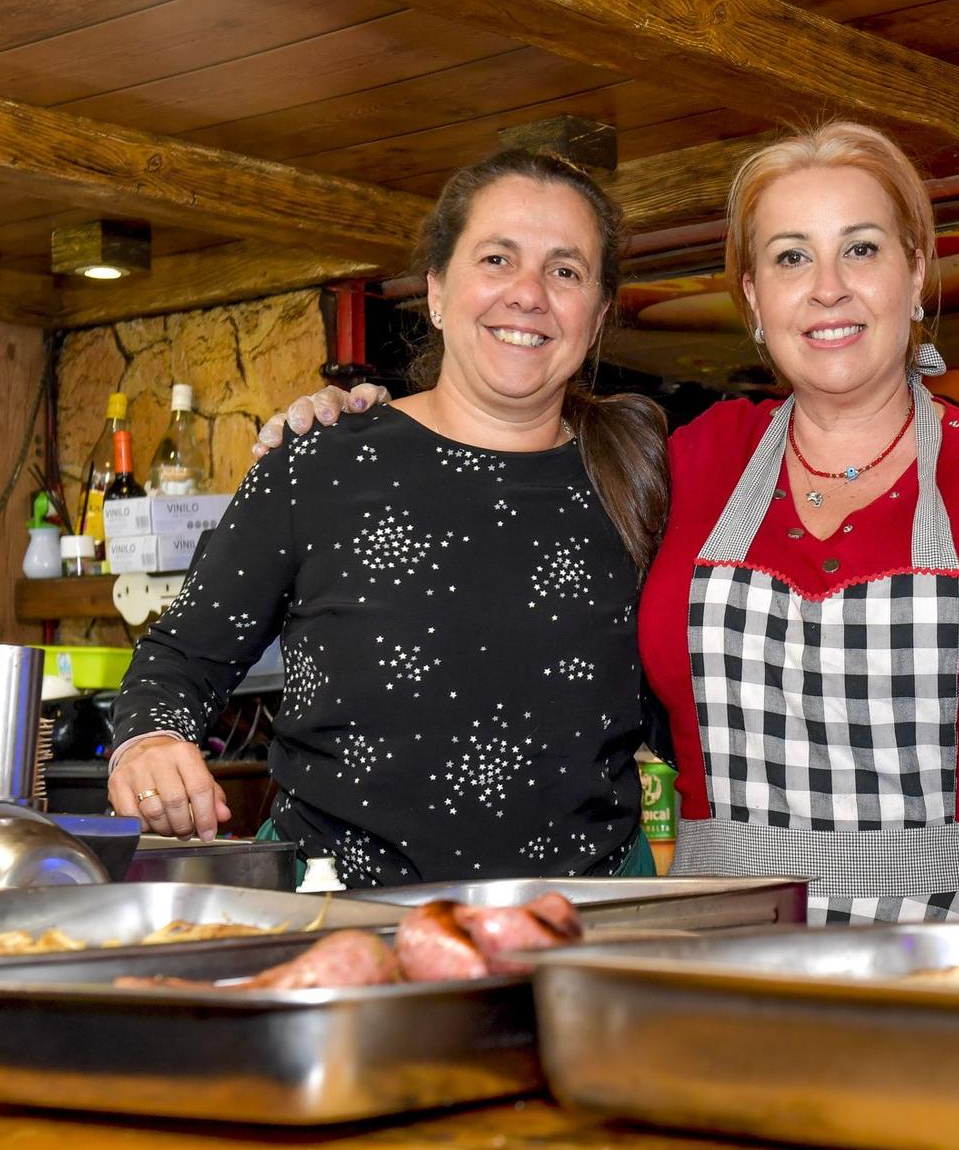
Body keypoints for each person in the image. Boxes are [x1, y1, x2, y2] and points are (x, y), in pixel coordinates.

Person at [288, 124, 959, 922]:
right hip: (726, 929)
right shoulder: (684, 460)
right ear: (754, 295)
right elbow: (506, 453)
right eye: (791, 257)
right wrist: (361, 427)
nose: (828, 287)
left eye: (860, 249)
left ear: (915, 270)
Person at [106, 148, 668, 886]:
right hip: (344, 922)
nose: (528, 293)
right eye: (497, 259)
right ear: (436, 291)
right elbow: (178, 661)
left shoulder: (644, 476)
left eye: (564, 271)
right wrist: (149, 743)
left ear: (595, 318)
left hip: (584, 929)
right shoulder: (321, 461)